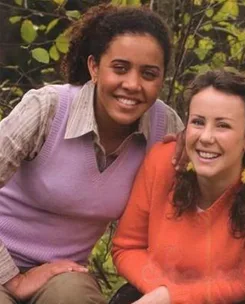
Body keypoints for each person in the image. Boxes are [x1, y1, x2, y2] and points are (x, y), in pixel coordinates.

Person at [0, 4, 183, 304]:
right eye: (120, 68)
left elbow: (193, 205)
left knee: (72, 296)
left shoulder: (165, 128)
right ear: (95, 67)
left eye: (149, 74)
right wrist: (14, 279)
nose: (133, 85)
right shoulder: (49, 109)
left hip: (62, 274)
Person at [111, 69, 245, 304]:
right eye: (198, 122)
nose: (206, 137)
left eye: (223, 126)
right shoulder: (163, 162)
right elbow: (126, 247)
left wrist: (171, 297)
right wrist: (161, 293)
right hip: (150, 293)